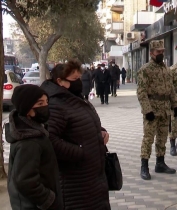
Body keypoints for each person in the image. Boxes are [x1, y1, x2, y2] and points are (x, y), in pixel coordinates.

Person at [40, 61, 111, 209]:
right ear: (60, 81)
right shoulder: (55, 104)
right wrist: (79, 152)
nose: (79, 82)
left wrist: (100, 132)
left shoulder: (75, 97)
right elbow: (50, 139)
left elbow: (83, 122)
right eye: (74, 80)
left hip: (92, 178)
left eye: (79, 78)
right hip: (74, 183)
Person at [6, 84, 62, 210]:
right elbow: (25, 181)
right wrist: (48, 200)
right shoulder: (29, 141)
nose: (45, 107)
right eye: (40, 104)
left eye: (46, 102)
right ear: (27, 109)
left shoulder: (34, 131)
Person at [137, 40, 177, 180]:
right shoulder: (145, 69)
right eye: (158, 52)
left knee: (162, 138)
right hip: (152, 110)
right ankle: (144, 166)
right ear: (151, 53)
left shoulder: (166, 69)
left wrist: (176, 104)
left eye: (162, 51)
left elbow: (171, 89)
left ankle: (160, 163)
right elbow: (141, 92)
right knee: (148, 138)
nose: (161, 54)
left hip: (165, 110)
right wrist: (147, 110)